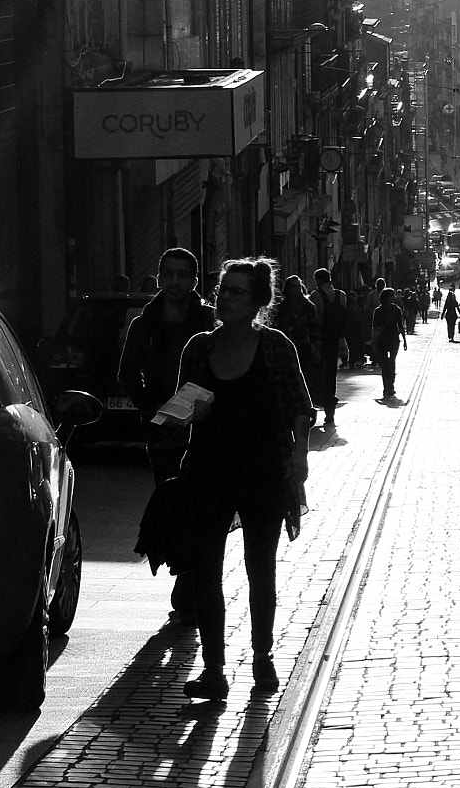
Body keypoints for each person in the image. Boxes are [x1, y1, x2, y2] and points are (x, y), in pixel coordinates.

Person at [174, 257, 314, 701]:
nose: (225, 298)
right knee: (205, 571)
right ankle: (214, 670)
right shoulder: (198, 348)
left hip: (264, 472)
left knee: (261, 568)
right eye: (222, 289)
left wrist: (299, 456)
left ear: (257, 300)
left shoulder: (274, 346)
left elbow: (299, 406)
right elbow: (182, 407)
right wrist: (185, 414)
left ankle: (262, 657)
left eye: (236, 291)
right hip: (209, 470)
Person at [117, 247, 215, 624]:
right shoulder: (145, 324)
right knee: (172, 502)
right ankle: (183, 571)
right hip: (162, 433)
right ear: (159, 279)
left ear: (193, 280)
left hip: (204, 431)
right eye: (168, 275)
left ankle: (193, 576)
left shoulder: (209, 322)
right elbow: (127, 372)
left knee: (202, 504)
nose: (174, 283)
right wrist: (150, 409)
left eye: (182, 275)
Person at [274, 275, 325, 425]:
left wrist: (316, 349)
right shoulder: (281, 308)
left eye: (298, 286)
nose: (295, 289)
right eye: (292, 286)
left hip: (304, 348)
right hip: (286, 348)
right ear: (287, 289)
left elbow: (315, 329)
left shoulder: (309, 306)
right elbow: (277, 327)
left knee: (305, 378)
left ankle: (306, 409)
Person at [309, 268, 346, 424]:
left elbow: (314, 318)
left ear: (318, 280)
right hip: (335, 339)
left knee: (317, 374)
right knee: (331, 375)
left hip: (320, 340)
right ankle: (330, 410)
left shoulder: (316, 296)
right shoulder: (342, 295)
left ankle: (318, 403)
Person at [372, 288, 408, 400]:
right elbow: (375, 328)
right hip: (388, 339)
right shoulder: (395, 310)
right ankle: (388, 386)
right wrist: (373, 342)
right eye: (392, 296)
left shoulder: (380, 310)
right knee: (388, 363)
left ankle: (389, 386)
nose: (394, 298)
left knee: (389, 363)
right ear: (387, 297)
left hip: (389, 340)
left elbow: (400, 326)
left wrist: (405, 340)